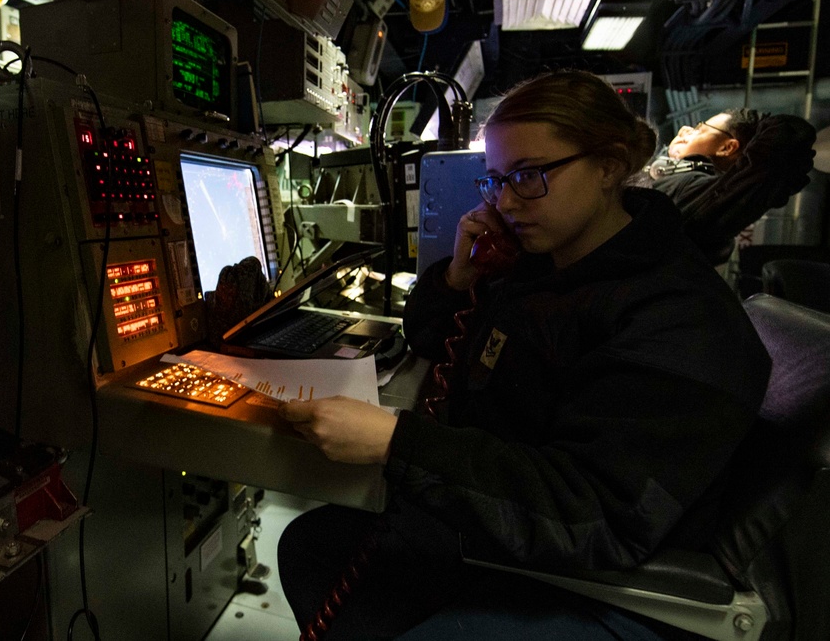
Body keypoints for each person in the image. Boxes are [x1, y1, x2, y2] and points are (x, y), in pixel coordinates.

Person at [276, 70, 772, 640]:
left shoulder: (679, 318)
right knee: (313, 546)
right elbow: (437, 340)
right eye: (498, 180)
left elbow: (592, 513)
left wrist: (396, 441)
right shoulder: (551, 267)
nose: (507, 202)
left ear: (609, 166)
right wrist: (462, 276)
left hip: (593, 579)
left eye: (529, 176)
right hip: (517, 525)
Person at [637, 108, 815, 265]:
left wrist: (758, 120)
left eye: (700, 129)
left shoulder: (694, 189)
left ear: (727, 147)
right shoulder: (662, 172)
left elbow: (784, 141)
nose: (684, 130)